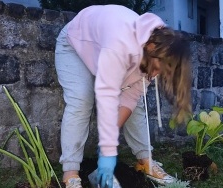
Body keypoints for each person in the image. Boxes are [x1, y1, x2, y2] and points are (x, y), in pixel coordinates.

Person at [55, 4, 192, 188]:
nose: (161, 74)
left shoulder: (154, 54)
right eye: (164, 68)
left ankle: (145, 161)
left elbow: (130, 97)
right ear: (152, 48)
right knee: (81, 99)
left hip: (103, 50)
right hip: (75, 44)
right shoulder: (120, 43)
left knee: (137, 106)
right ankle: (70, 174)